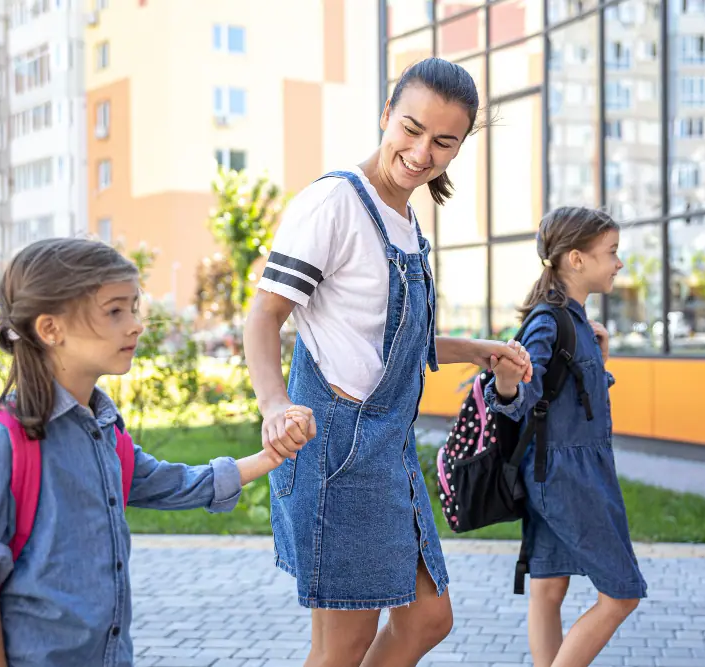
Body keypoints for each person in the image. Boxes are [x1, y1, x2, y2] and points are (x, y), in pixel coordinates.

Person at [243, 57, 532, 667]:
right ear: (385, 117)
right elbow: (264, 317)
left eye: (443, 141)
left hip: (389, 451)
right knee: (342, 643)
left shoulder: (403, 219)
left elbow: (394, 340)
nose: (422, 151)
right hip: (337, 451)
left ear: (457, 148)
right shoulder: (334, 204)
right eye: (411, 129)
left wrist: (479, 351)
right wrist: (274, 405)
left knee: (428, 617)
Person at [0, 238, 314, 667]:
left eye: (133, 308)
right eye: (115, 311)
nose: (134, 325)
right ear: (50, 329)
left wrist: (267, 458)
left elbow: (171, 484)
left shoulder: (103, 431)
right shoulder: (3, 443)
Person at [485, 206, 646, 667]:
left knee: (549, 586)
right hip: (565, 478)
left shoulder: (574, 322)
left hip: (565, 470)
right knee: (621, 594)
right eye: (611, 252)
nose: (619, 263)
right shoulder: (548, 321)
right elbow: (519, 395)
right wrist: (509, 381)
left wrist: (599, 362)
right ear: (576, 259)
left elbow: (569, 401)